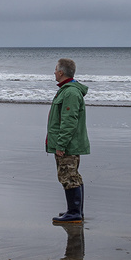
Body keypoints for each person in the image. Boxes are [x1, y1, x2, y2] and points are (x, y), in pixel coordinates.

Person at [46, 57, 89, 224]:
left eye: (56, 69)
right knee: (72, 175)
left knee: (68, 176)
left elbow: (69, 122)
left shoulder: (70, 92)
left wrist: (61, 145)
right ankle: (75, 210)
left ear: (61, 72)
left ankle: (74, 213)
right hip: (68, 143)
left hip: (68, 145)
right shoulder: (66, 90)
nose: (54, 72)